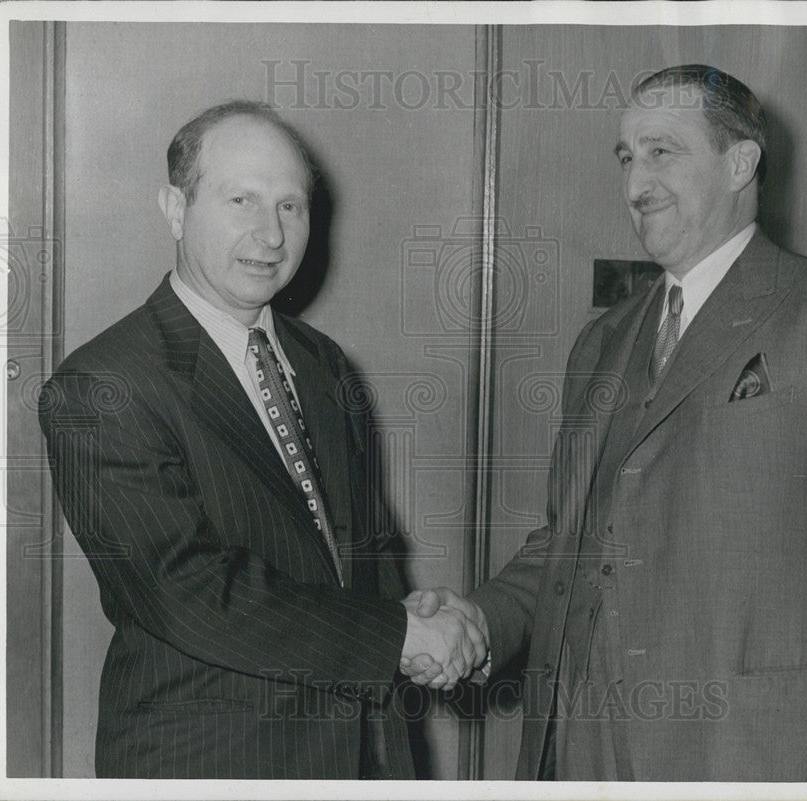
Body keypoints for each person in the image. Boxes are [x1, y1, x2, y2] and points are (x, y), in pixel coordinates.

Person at [407, 65, 807, 782]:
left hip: (750, 754)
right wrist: (478, 619)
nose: (636, 184)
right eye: (627, 157)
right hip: (582, 748)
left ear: (740, 162)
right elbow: (569, 541)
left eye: (663, 152)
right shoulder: (604, 340)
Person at [39, 100, 486, 779]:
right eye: (241, 199)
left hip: (362, 754)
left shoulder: (324, 362)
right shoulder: (103, 385)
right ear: (175, 208)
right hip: (209, 759)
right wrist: (398, 637)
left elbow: (357, 546)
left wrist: (420, 613)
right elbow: (185, 588)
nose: (270, 234)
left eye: (291, 206)